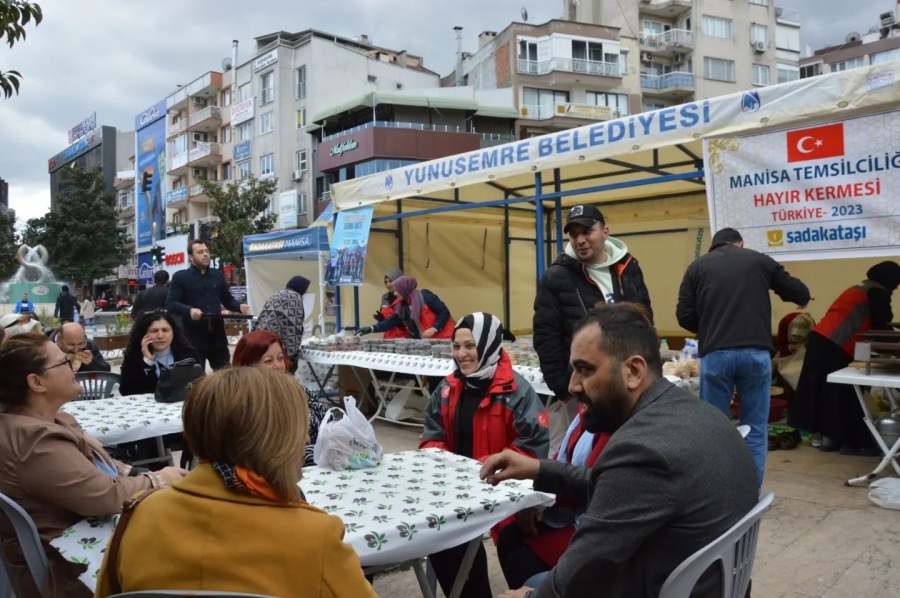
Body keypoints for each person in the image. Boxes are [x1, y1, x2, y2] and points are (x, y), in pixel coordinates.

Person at [481, 305, 759, 598]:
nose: (573, 385)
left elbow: (583, 571)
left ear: (634, 371)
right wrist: (538, 468)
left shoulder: (643, 447)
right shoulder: (697, 414)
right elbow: (616, 488)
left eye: (585, 369)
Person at [93, 367, 377, 598]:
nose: (305, 439)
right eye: (299, 429)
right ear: (272, 441)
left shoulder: (140, 514)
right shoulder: (315, 536)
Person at [0, 333, 187, 598]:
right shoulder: (36, 442)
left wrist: (130, 472)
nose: (74, 364)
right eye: (64, 361)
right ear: (37, 382)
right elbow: (105, 496)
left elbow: (92, 469)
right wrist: (159, 478)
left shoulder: (42, 422)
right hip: (75, 567)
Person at [420, 312, 549, 598]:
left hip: (503, 488)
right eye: (456, 346)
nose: (461, 354)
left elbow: (532, 447)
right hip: (459, 488)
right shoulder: (447, 388)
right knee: (442, 541)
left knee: (514, 546)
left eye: (470, 346)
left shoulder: (516, 392)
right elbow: (432, 436)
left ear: (490, 344)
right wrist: (452, 468)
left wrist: (487, 472)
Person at [676, 227, 810, 486]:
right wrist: (801, 300)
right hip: (756, 354)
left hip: (717, 355)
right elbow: (797, 290)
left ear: (713, 246)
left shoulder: (697, 267)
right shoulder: (758, 259)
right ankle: (750, 496)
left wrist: (710, 324)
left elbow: (684, 316)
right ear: (740, 243)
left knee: (713, 431)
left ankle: (718, 496)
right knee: (756, 432)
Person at [533, 204, 652, 455]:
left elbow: (646, 319)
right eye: (574, 235)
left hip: (630, 383)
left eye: (587, 231)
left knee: (632, 449)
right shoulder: (557, 277)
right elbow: (546, 336)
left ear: (605, 231)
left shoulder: (628, 268)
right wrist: (564, 389)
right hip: (584, 388)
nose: (580, 240)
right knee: (587, 454)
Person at [789, 261, 900, 455]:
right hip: (835, 344)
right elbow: (882, 327)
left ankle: (828, 440)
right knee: (843, 395)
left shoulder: (860, 287)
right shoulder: (877, 292)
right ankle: (852, 442)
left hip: (820, 339)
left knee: (824, 393)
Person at [497, 403, 611, 591]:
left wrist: (539, 489)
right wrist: (537, 497)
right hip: (573, 508)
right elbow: (564, 457)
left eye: (585, 372)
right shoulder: (587, 405)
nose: (574, 384)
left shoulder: (616, 416)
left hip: (593, 523)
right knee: (509, 536)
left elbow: (590, 482)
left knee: (522, 562)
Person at [232, 330, 327, 467]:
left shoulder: (298, 390)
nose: (277, 365)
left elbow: (328, 421)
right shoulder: (246, 403)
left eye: (280, 358)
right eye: (268, 361)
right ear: (248, 366)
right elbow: (268, 454)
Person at [166, 239, 250, 370]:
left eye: (206, 251)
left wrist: (239, 306)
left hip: (217, 338)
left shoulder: (217, 275)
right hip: (192, 338)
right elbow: (170, 304)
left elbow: (227, 300)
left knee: (225, 377)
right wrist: (189, 310)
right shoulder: (180, 277)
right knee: (195, 380)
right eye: (200, 252)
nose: (205, 254)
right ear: (191, 257)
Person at [119, 311, 199, 396]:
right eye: (154, 331)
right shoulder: (133, 356)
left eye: (165, 330)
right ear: (143, 334)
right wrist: (147, 362)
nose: (160, 336)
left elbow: (201, 385)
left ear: (173, 332)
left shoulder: (188, 353)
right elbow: (126, 391)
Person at [357, 275, 454, 339]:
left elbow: (444, 312)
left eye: (397, 290)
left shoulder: (425, 296)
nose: (395, 293)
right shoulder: (403, 306)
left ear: (404, 289)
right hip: (430, 343)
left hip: (446, 338)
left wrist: (434, 328)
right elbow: (390, 322)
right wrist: (371, 328)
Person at [256, 275, 311, 373]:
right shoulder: (295, 297)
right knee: (281, 376)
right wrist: (291, 354)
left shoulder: (277, 294)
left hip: (261, 338)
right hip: (277, 341)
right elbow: (294, 326)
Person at [47, 322, 111, 373]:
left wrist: (92, 363)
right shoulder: (45, 348)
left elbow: (107, 371)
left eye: (80, 344)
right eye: (71, 345)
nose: (76, 350)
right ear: (59, 339)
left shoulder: (89, 345)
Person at [374, 268, 410, 339]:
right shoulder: (384, 298)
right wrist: (381, 320)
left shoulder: (406, 297)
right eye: (386, 282)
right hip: (387, 339)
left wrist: (399, 322)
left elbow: (410, 320)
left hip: (404, 339)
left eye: (391, 281)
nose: (388, 285)